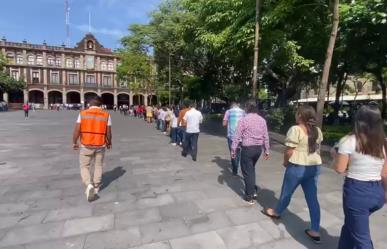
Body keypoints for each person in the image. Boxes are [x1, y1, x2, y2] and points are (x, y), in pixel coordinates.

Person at [262, 105, 323, 244]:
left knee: (286, 192)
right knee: (312, 198)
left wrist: (285, 162)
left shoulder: (295, 129)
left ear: (300, 115)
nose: (295, 115)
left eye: (297, 113)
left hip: (297, 166)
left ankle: (277, 212)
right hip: (314, 167)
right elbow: (316, 149)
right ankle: (315, 230)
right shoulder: (317, 130)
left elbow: (289, 150)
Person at [333, 104, 387, 249]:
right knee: (351, 225)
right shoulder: (381, 142)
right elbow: (384, 173)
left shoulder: (348, 141)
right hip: (377, 193)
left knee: (362, 240)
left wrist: (334, 155)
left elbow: (339, 169)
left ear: (358, 120)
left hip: (357, 193)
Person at [72, 96, 112, 202]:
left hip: (86, 144)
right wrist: (109, 143)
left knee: (84, 166)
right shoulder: (106, 114)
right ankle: (96, 186)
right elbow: (108, 132)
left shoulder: (83, 113)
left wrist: (74, 142)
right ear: (101, 104)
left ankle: (88, 184)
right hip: (100, 144)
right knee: (98, 165)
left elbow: (77, 130)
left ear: (89, 103)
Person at [231, 100, 269, 205]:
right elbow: (266, 136)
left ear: (247, 108)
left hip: (247, 149)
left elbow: (237, 135)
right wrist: (266, 150)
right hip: (258, 149)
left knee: (247, 172)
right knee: (251, 170)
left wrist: (233, 149)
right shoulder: (262, 120)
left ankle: (249, 196)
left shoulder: (244, 120)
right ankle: (253, 189)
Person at [223, 101, 245, 175]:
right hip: (241, 136)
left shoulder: (228, 112)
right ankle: (237, 166)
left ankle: (235, 169)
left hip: (231, 136)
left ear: (231, 106)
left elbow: (224, 124)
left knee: (232, 152)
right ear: (237, 105)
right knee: (238, 152)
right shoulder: (243, 112)